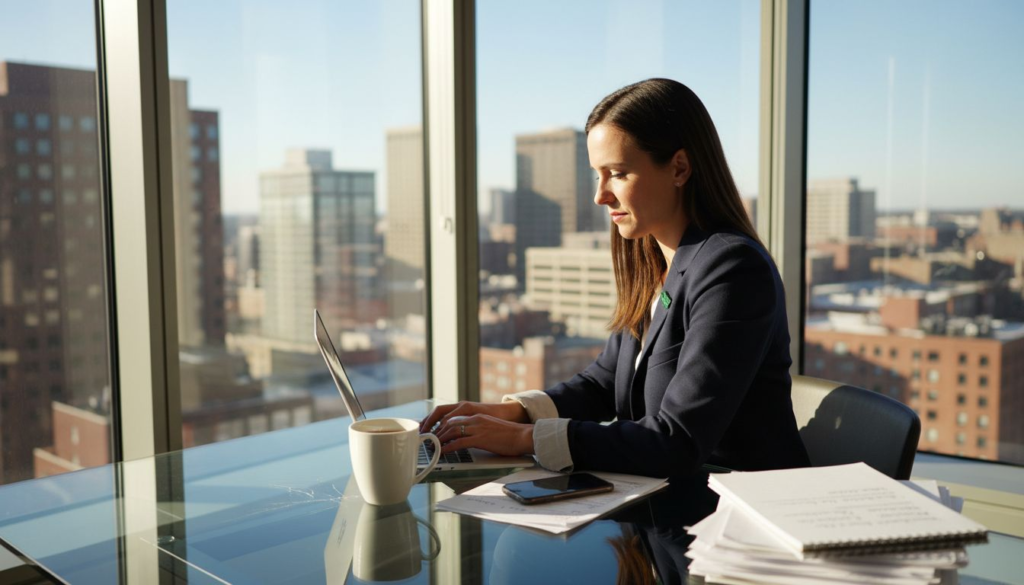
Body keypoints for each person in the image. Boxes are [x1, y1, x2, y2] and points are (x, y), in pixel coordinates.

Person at [421, 78, 810, 478]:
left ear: (679, 168)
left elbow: (676, 441)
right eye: (597, 175)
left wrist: (524, 439)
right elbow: (606, 382)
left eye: (618, 173)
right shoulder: (654, 259)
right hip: (666, 503)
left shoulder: (733, 270)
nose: (600, 196)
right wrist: (513, 413)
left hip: (740, 513)